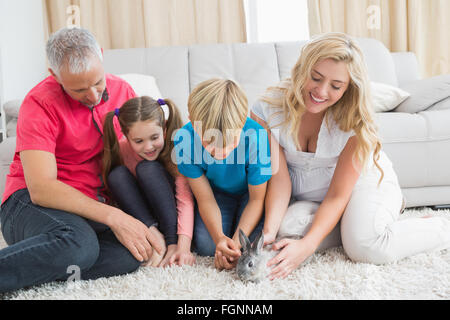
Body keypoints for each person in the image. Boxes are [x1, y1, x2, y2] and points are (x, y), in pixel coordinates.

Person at [251, 32, 450, 280]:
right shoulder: (267, 109)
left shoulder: (354, 122)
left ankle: (439, 227)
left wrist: (308, 246)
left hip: (361, 187)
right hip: (316, 197)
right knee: (285, 231)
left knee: (365, 247)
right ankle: (357, 224)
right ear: (302, 69)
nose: (321, 91)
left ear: (348, 88)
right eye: (315, 77)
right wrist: (268, 232)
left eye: (336, 86)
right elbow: (279, 180)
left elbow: (337, 195)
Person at [0, 27, 163, 293]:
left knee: (132, 253)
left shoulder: (124, 91)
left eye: (98, 82)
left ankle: (46, 264)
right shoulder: (39, 103)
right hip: (28, 203)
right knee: (80, 244)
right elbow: (42, 189)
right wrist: (115, 217)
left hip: (87, 209)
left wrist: (148, 224)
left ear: (101, 55)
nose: (94, 95)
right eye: (78, 89)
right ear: (55, 76)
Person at [173, 78, 272, 270]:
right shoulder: (184, 139)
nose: (220, 152)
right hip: (216, 194)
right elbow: (205, 199)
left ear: (242, 121)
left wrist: (234, 245)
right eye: (208, 143)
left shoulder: (257, 136)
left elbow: (256, 200)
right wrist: (219, 239)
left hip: (249, 196)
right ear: (192, 122)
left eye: (230, 142)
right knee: (206, 246)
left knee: (251, 245)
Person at [102, 96, 195, 267]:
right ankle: (154, 237)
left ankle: (169, 240)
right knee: (116, 175)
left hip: (173, 217)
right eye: (138, 141)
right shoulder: (122, 149)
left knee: (147, 168)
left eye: (154, 138)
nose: (148, 147)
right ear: (126, 137)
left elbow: (185, 201)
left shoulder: (177, 148)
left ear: (164, 129)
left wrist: (181, 246)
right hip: (147, 217)